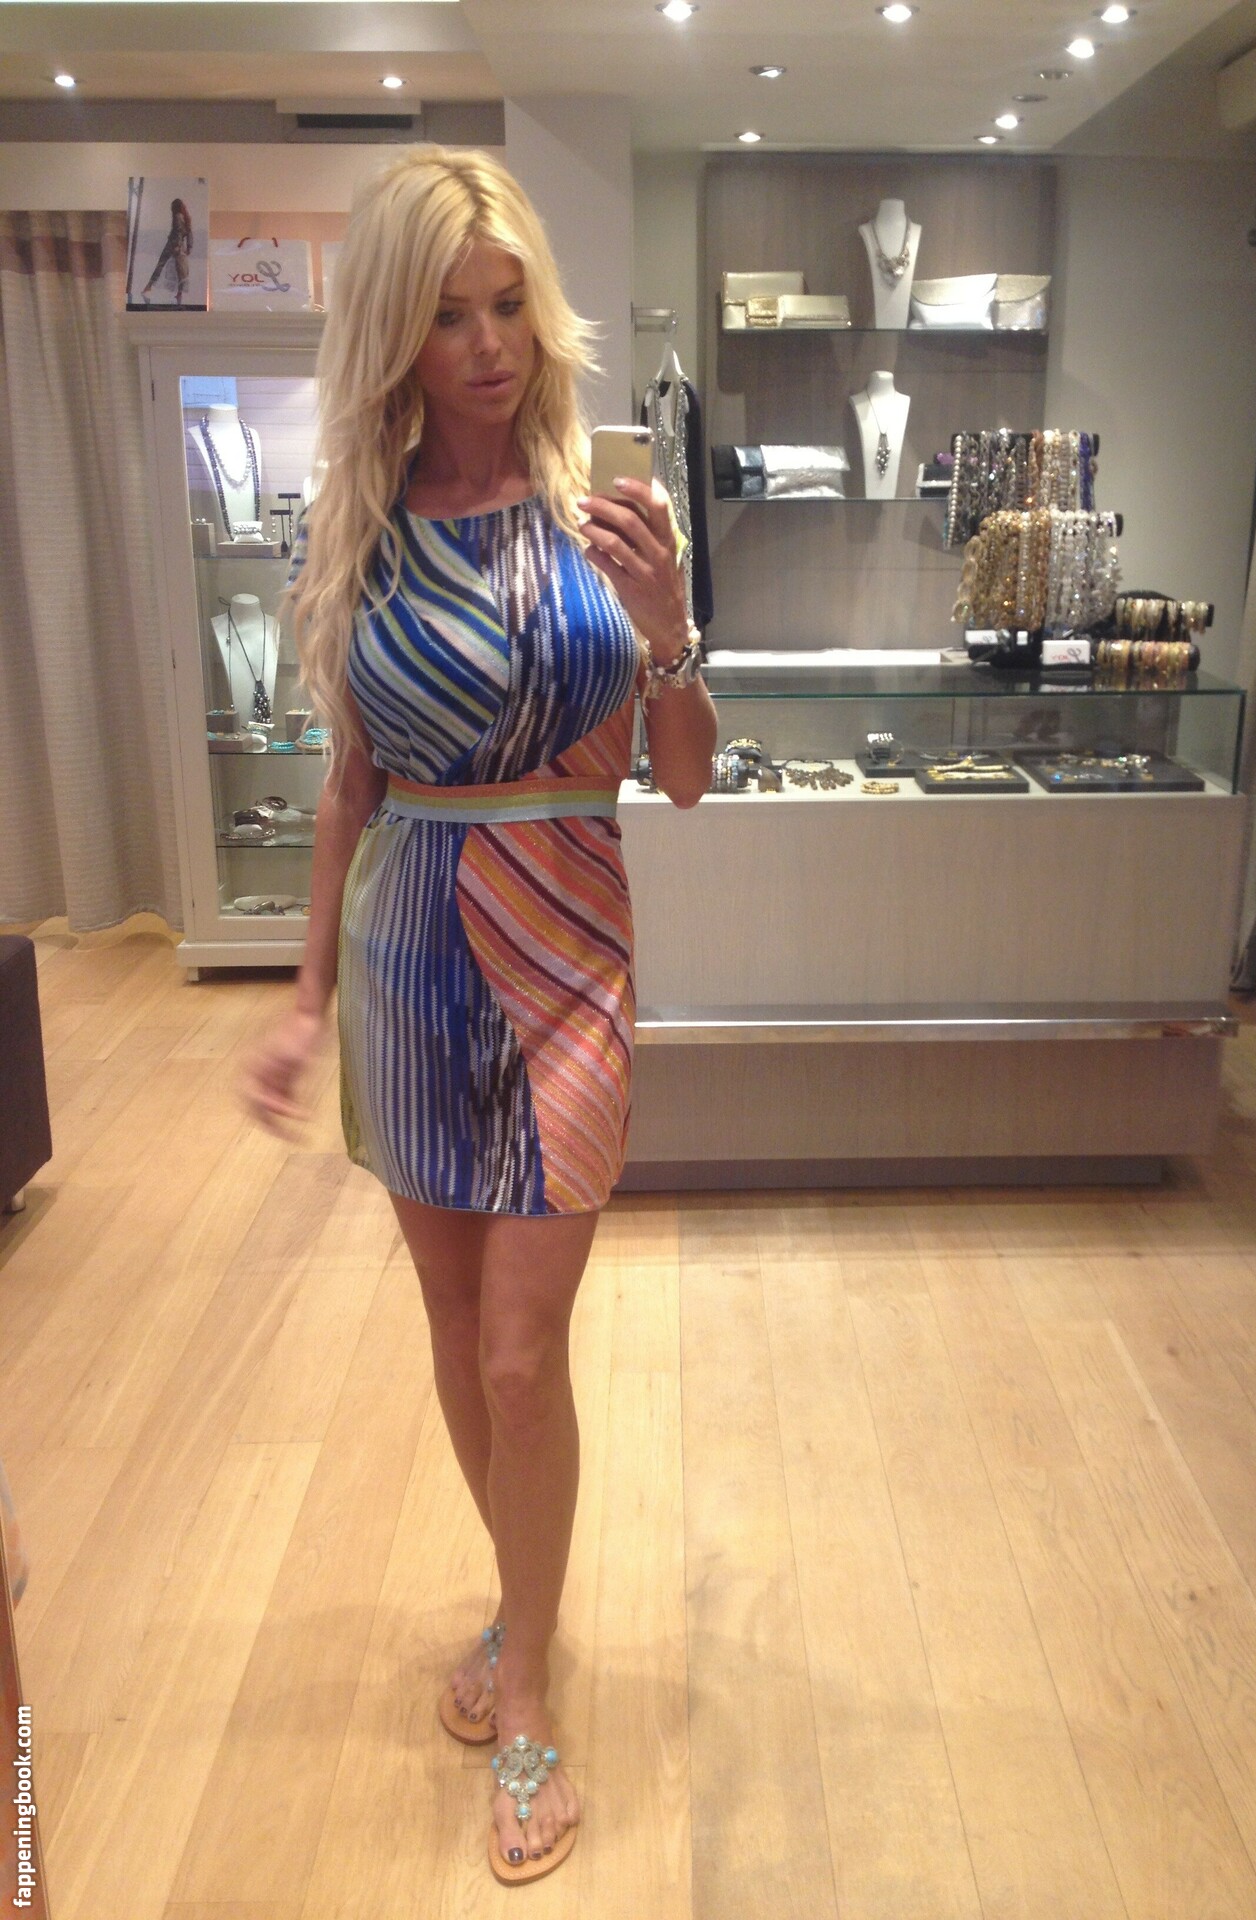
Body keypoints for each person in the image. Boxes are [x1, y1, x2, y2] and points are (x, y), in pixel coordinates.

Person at [237, 145, 716, 1886]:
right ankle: (523, 1609)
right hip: (410, 963)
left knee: (523, 1354)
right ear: (396, 333)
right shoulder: (360, 535)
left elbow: (683, 780)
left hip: (571, 957)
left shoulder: (605, 510)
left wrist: (669, 634)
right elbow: (350, 793)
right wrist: (305, 1001)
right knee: (456, 1337)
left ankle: (527, 1693)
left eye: (510, 304)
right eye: (449, 316)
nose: (492, 344)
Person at [141, 196, 192, 306]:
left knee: (161, 264)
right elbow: (189, 233)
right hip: (180, 245)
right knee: (181, 270)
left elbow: (177, 231)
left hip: (173, 244)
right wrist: (188, 247)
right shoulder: (186, 218)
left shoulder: (177, 216)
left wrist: (176, 245)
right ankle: (179, 294)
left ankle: (149, 286)